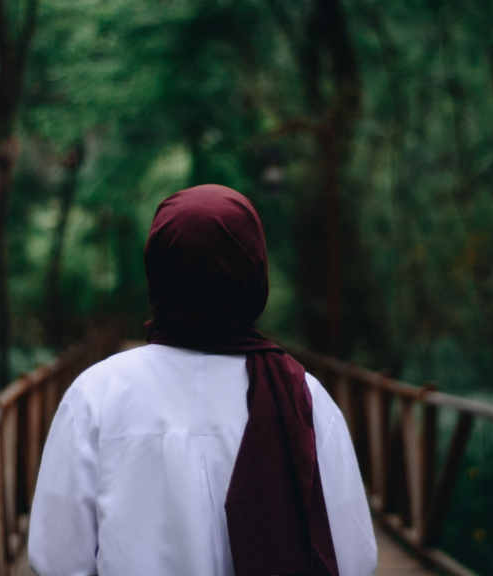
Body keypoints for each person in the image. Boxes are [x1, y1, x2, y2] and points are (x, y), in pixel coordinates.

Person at [28, 185, 377, 576]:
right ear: (255, 271)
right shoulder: (304, 397)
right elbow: (354, 559)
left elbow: (57, 558)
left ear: (158, 270)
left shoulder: (95, 394)